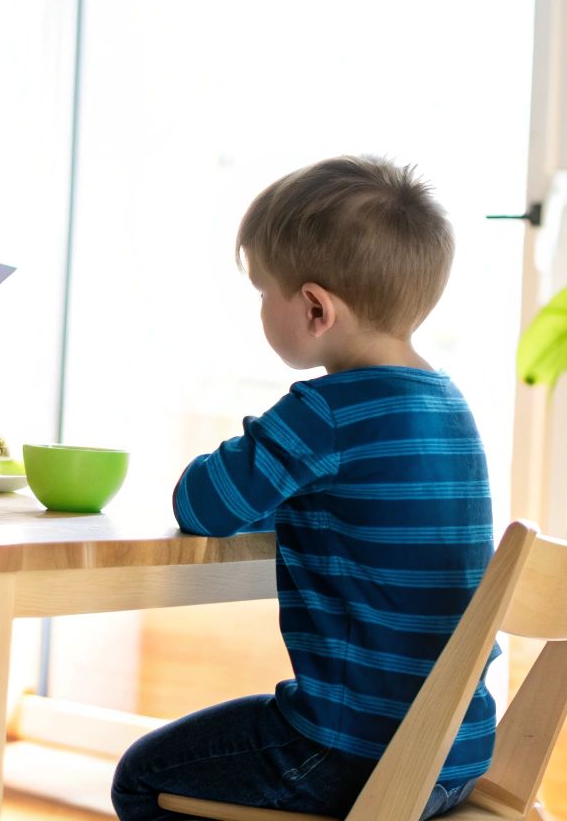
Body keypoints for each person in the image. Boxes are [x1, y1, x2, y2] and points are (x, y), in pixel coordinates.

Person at [110, 156, 495, 821]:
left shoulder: (329, 411)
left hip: (355, 753)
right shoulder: (451, 410)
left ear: (316, 308)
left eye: (264, 292)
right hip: (456, 754)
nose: (260, 308)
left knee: (143, 776)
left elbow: (203, 504)